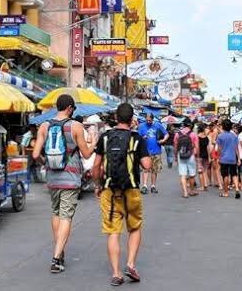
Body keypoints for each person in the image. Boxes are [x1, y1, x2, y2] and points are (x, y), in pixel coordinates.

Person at [32, 94, 97, 274]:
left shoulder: (44, 126)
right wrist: (94, 141)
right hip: (71, 177)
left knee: (56, 212)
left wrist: (47, 163)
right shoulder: (75, 126)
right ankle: (56, 257)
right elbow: (85, 154)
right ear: (69, 108)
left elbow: (35, 155)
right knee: (66, 216)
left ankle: (60, 252)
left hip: (52, 178)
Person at [92, 103, 152, 286]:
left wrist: (97, 184)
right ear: (132, 119)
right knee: (134, 228)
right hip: (131, 190)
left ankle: (116, 273)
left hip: (109, 191)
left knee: (113, 232)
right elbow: (147, 166)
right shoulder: (136, 138)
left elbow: (96, 165)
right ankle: (131, 263)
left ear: (116, 117)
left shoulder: (104, 137)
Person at [136, 114, 168, 194]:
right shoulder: (142, 126)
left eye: (149, 120)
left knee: (154, 170)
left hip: (156, 151)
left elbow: (166, 134)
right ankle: (144, 186)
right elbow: (137, 138)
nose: (148, 122)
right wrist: (142, 138)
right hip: (145, 151)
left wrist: (163, 140)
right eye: (147, 120)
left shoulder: (158, 125)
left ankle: (153, 186)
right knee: (145, 169)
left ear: (152, 119)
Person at [173, 118, 199, 198]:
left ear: (183, 125)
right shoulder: (193, 134)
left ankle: (185, 192)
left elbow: (175, 147)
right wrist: (197, 157)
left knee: (182, 174)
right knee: (191, 175)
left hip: (181, 155)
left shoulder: (177, 134)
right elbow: (197, 147)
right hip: (191, 155)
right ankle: (191, 191)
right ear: (190, 125)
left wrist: (176, 157)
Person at [217, 120, 241, 199]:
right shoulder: (234, 136)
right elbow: (236, 148)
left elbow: (219, 149)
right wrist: (239, 159)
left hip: (224, 158)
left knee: (225, 175)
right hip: (232, 158)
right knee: (234, 174)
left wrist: (218, 156)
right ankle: (237, 189)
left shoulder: (220, 136)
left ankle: (225, 192)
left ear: (223, 126)